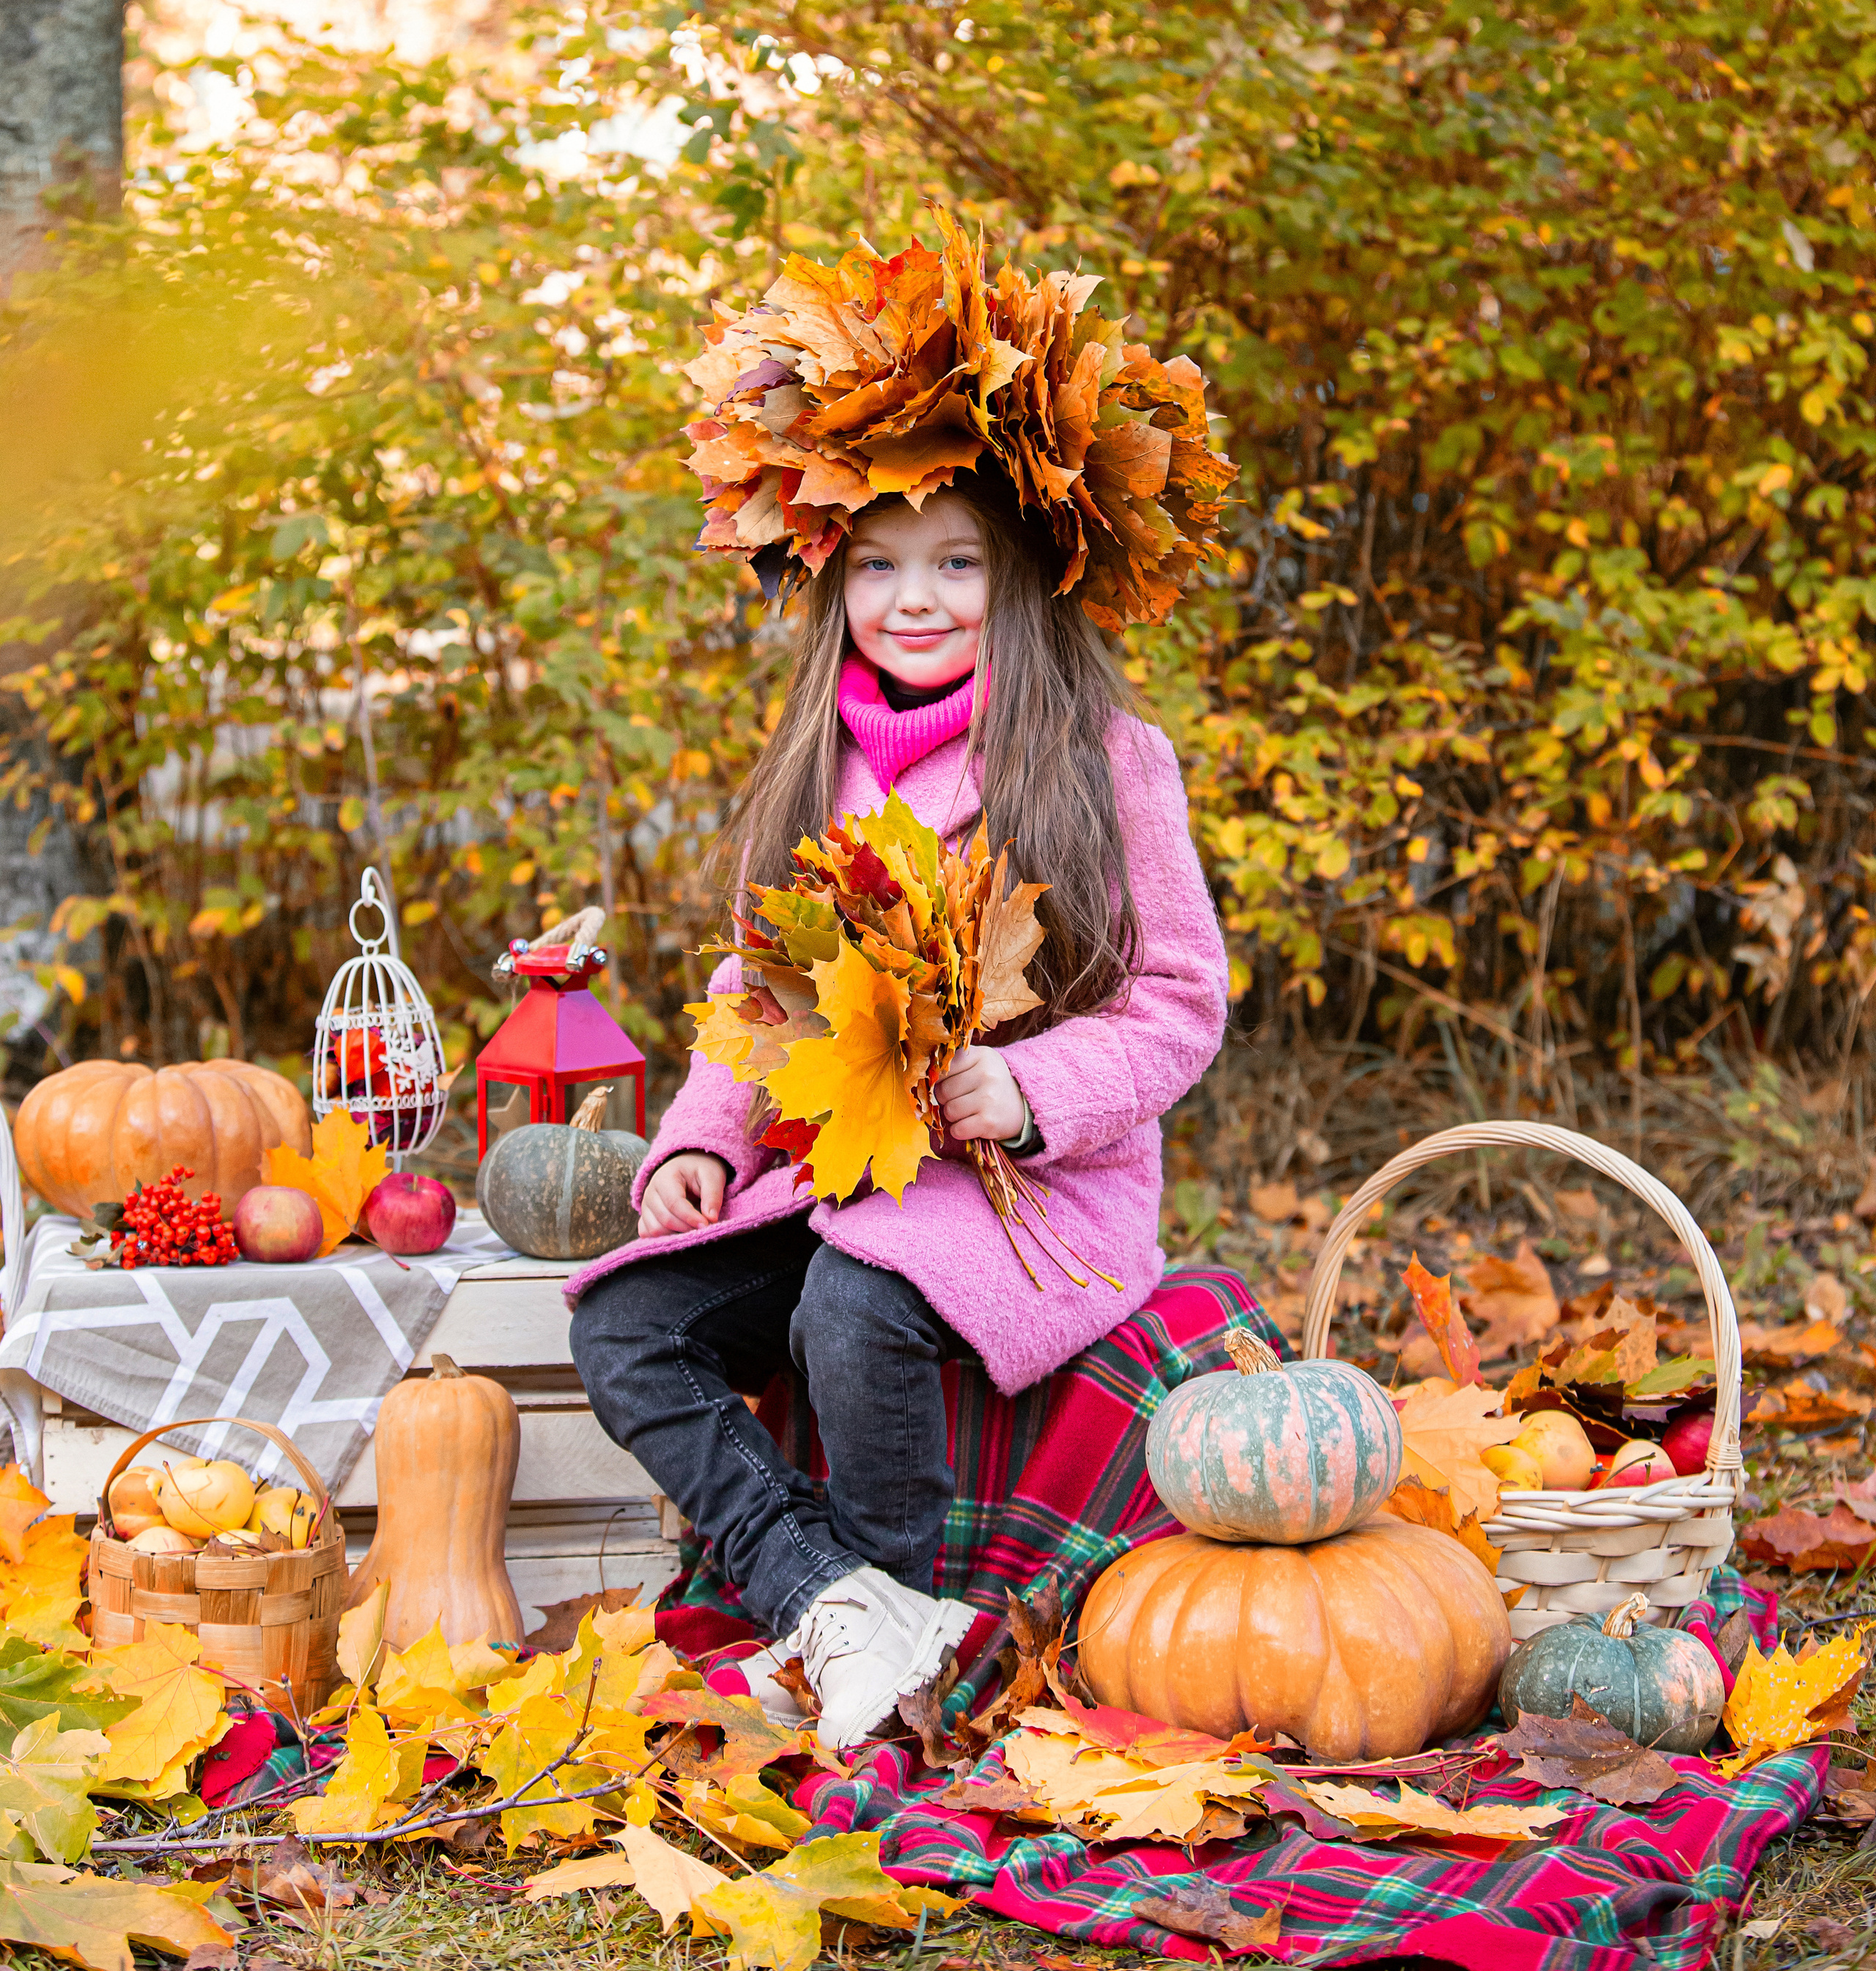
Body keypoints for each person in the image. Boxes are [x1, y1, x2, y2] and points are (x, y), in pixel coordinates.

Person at [566, 226, 1233, 1751]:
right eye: (878, 567)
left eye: (954, 565)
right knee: (624, 1327)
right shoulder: (818, 765)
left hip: (1011, 1187)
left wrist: (1040, 1086)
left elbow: (1180, 1000)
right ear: (831, 580)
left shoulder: (1100, 759)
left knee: (856, 1309)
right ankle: (835, 1607)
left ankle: (897, 1615)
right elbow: (759, 991)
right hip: (829, 1163)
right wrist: (697, 1144)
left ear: (1019, 582)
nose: (914, 599)